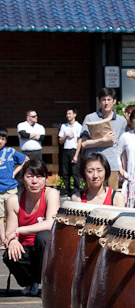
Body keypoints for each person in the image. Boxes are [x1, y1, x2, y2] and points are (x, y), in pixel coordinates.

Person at [3, 160, 59, 296]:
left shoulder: (51, 194)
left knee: (43, 236)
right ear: (22, 179)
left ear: (46, 179)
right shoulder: (14, 200)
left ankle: (47, 282)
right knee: (8, 255)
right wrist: (13, 240)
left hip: (44, 247)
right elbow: (10, 232)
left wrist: (19, 230)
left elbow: (51, 223)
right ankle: (30, 281)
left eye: (39, 177)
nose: (34, 181)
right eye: (30, 176)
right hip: (26, 248)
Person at [81, 88, 127, 191]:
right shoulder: (90, 118)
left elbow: (122, 147)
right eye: (103, 100)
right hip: (92, 166)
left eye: (109, 99)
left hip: (112, 165)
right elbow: (83, 144)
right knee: (91, 198)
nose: (106, 103)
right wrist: (103, 140)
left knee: (111, 198)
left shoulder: (121, 121)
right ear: (99, 101)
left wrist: (123, 167)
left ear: (114, 101)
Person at [0, 126, 28, 246]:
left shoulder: (10, 152)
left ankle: (13, 238)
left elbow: (25, 159)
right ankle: (3, 241)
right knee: (0, 217)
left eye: (3, 138)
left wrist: (14, 173)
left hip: (11, 189)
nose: (0, 141)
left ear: (6, 140)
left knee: (15, 214)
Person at [58, 107, 82, 199]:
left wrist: (76, 155)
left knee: (75, 172)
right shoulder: (64, 126)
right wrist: (66, 136)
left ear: (74, 115)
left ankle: (76, 191)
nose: (68, 115)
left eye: (70, 114)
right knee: (65, 172)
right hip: (66, 150)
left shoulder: (78, 126)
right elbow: (60, 140)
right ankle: (66, 191)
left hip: (74, 150)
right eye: (67, 114)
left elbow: (79, 141)